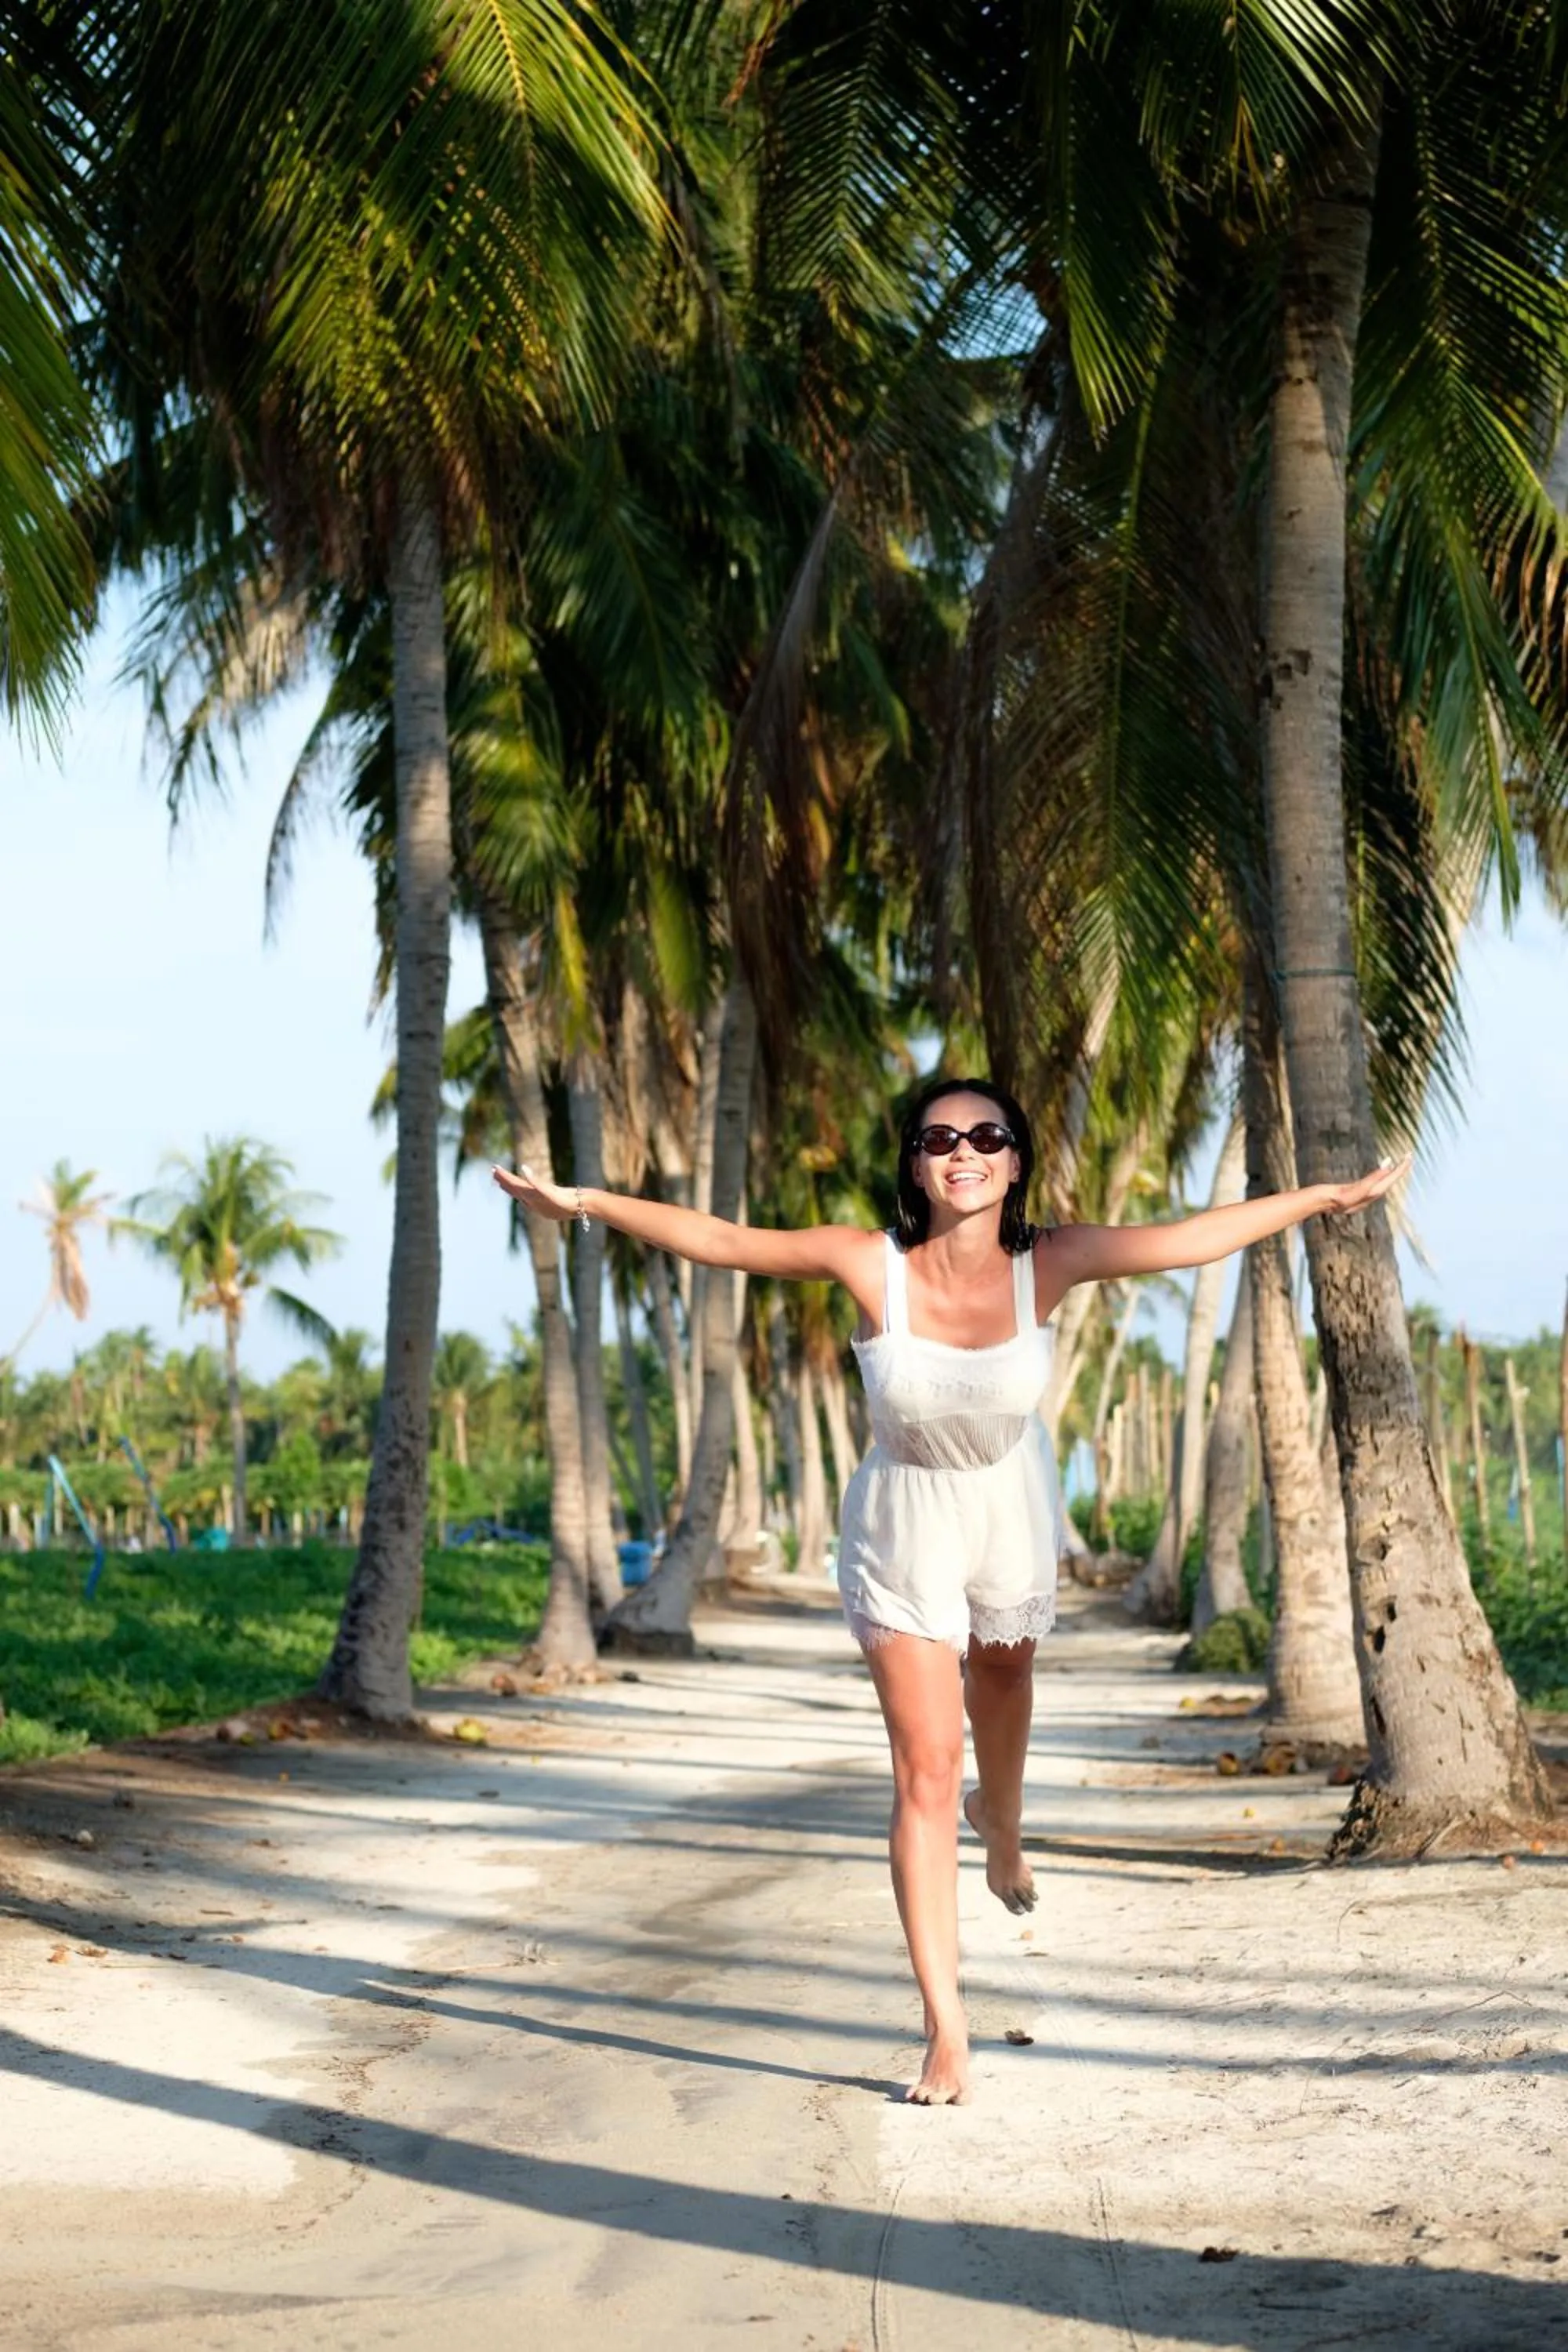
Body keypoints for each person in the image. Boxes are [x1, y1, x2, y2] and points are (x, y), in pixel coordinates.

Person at [492, 1076, 1402, 2106]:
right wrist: (582, 1202)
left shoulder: (1049, 1261)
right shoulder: (867, 1261)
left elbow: (1188, 1239)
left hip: (1008, 1501)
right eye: (938, 1139)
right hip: (905, 1520)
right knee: (925, 1769)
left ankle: (1001, 1824)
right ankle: (946, 2025)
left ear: (1015, 1162)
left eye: (985, 1136)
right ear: (915, 1167)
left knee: (1005, 1679)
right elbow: (723, 1240)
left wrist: (1320, 1199)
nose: (962, 1151)